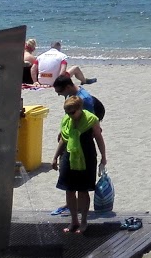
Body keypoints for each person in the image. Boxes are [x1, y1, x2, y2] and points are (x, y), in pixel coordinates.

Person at [50, 95, 107, 234]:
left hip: (86, 157)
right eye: (67, 112)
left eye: (72, 112)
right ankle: (73, 220)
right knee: (69, 190)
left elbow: (99, 138)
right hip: (69, 156)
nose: (70, 115)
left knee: (83, 190)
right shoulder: (66, 120)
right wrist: (55, 157)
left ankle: (84, 221)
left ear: (80, 109)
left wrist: (103, 157)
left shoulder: (91, 120)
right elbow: (63, 139)